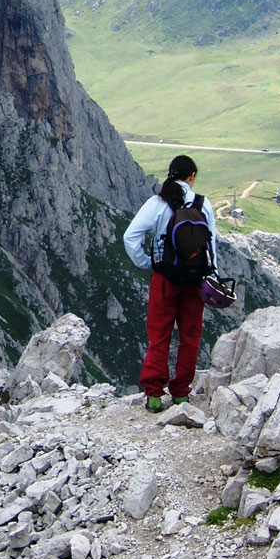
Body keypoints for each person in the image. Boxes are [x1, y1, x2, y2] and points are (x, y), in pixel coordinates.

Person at [123, 154, 217, 411]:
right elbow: (212, 246)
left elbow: (131, 236)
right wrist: (213, 275)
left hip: (165, 278)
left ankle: (154, 394)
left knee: (159, 334)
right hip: (196, 281)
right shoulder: (203, 204)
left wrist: (147, 262)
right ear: (192, 177)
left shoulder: (158, 202)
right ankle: (181, 393)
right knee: (190, 335)